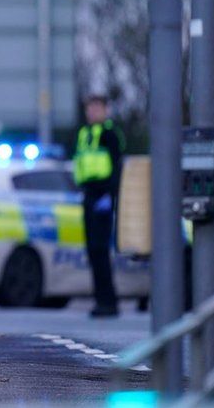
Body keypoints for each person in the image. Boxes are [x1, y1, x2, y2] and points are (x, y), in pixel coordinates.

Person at [73, 95, 125, 318]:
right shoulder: (84, 134)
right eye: (90, 108)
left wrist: (110, 195)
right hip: (89, 195)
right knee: (92, 251)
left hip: (103, 196)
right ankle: (100, 300)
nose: (93, 112)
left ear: (105, 110)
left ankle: (109, 302)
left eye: (97, 108)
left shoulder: (111, 134)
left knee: (101, 250)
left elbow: (117, 167)